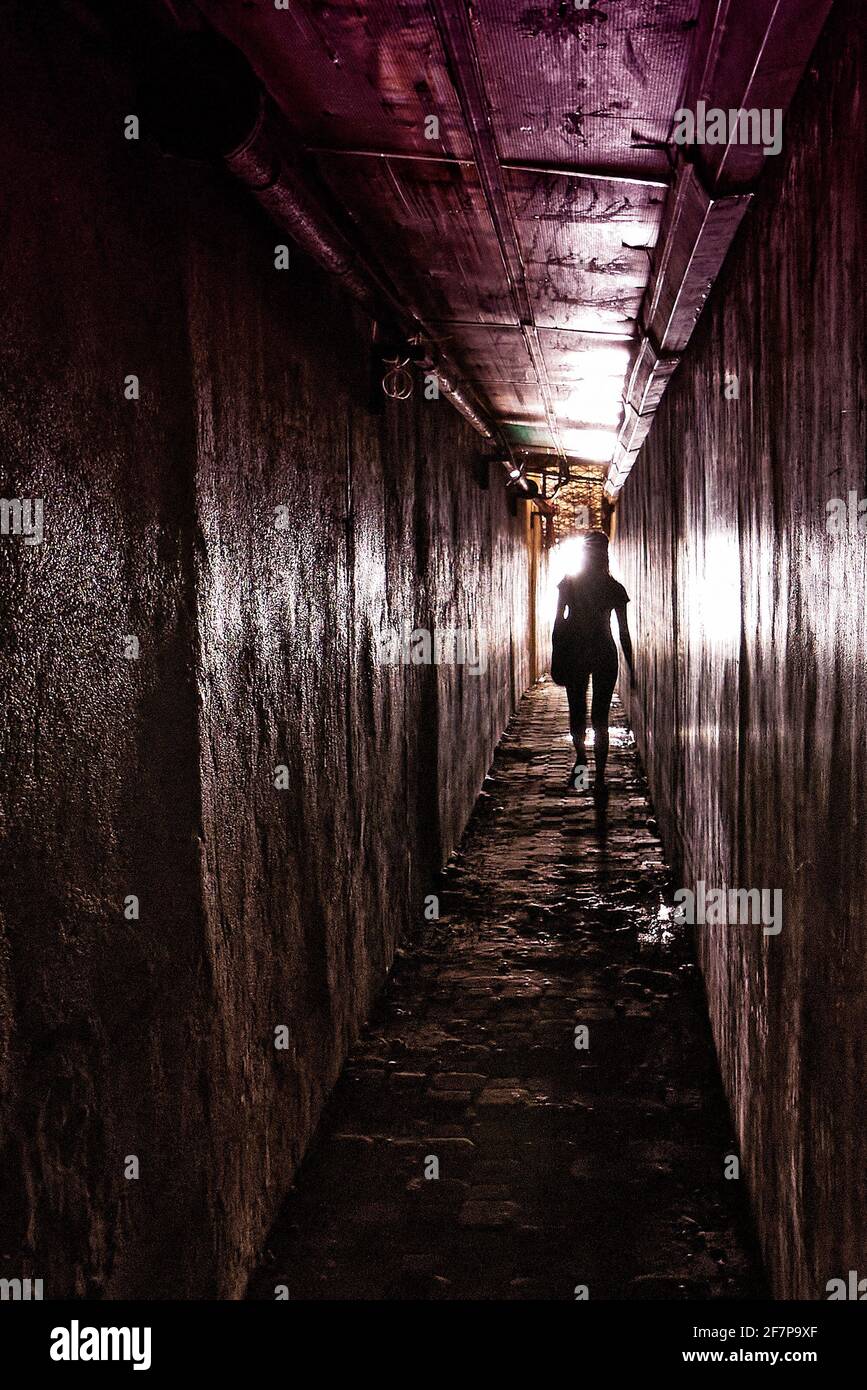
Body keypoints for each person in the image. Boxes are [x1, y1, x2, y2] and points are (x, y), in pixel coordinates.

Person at [552, 531, 635, 796]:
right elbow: (623, 632)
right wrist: (631, 667)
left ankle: (581, 765)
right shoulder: (614, 588)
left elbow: (557, 623)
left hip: (576, 651)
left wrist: (557, 657)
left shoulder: (569, 583)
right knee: (600, 717)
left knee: (577, 712)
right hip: (603, 652)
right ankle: (599, 778)